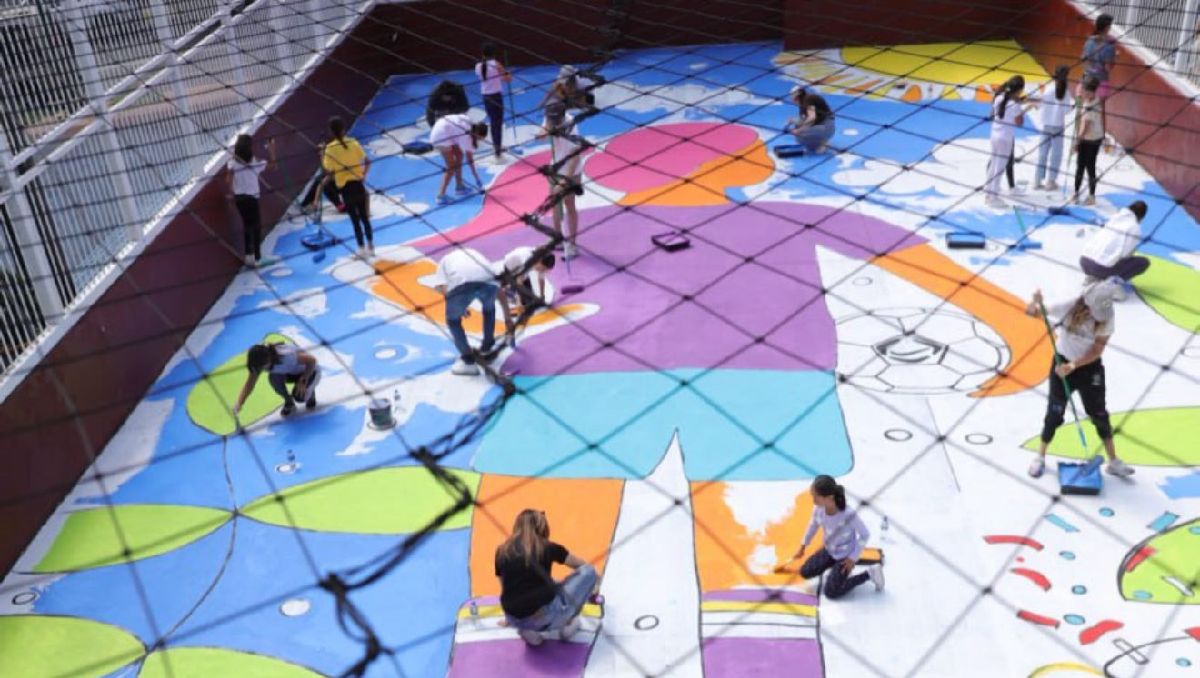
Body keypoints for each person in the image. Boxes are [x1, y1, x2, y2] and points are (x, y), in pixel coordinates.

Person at [1025, 281, 1134, 478]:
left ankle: (1113, 462)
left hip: (1089, 368)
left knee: (1099, 414)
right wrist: (1035, 302)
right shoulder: (1069, 306)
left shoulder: (1108, 316)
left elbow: (1097, 350)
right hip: (1061, 364)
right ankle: (1040, 457)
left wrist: (1073, 366)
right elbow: (1033, 313)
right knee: (1054, 414)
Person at [495, 509, 598, 646]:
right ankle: (568, 625)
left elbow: (505, 587)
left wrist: (509, 619)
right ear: (541, 526)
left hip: (513, 617)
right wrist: (594, 586)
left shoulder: (502, 550)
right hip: (544, 616)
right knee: (589, 571)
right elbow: (581, 566)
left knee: (550, 583)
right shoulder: (547, 547)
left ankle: (528, 632)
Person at [791, 475, 882, 599]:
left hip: (845, 557)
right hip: (829, 550)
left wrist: (852, 558)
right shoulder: (818, 510)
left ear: (829, 497)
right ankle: (835, 571)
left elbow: (865, 534)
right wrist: (802, 546)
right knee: (805, 571)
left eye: (816, 496)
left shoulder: (848, 514)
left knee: (831, 592)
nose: (813, 500)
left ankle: (869, 574)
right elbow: (812, 526)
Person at [433, 246, 500, 375]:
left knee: (453, 321)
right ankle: (487, 349)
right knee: (489, 310)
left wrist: (459, 308)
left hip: (463, 284)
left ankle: (468, 362)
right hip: (490, 281)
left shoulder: (444, 261)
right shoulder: (472, 251)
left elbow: (444, 289)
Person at [322, 116, 374, 258]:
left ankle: (361, 249)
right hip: (358, 185)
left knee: (355, 221)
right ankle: (371, 247)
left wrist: (322, 154)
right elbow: (367, 161)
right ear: (344, 129)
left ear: (331, 132)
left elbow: (328, 169)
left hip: (346, 190)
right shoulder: (353, 142)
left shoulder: (330, 149)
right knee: (364, 218)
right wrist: (363, 175)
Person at [539, 98, 585, 258]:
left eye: (556, 120)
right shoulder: (549, 118)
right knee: (555, 204)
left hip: (571, 171)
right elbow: (541, 135)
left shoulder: (571, 126)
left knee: (569, 204)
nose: (554, 122)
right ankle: (557, 238)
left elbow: (575, 156)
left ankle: (572, 244)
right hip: (555, 168)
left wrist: (565, 181)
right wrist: (547, 129)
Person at [232, 342, 320, 419]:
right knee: (273, 378)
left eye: (261, 367)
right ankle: (289, 402)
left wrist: (303, 380)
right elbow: (249, 384)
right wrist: (239, 403)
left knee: (300, 397)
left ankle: (310, 393)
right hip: (290, 372)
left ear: (268, 360)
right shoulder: (260, 361)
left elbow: (312, 360)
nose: (259, 370)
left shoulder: (287, 357)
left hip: (310, 371)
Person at [225, 134, 276, 267]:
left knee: (247, 226)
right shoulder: (255, 162)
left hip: (239, 199)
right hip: (252, 199)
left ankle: (249, 257)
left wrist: (230, 194)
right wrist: (272, 151)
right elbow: (273, 166)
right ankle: (258, 258)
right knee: (256, 227)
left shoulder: (232, 163)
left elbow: (228, 180)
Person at [497, 246, 556, 344]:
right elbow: (519, 284)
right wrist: (518, 303)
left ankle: (507, 287)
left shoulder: (541, 257)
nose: (543, 271)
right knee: (523, 302)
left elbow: (541, 278)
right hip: (511, 267)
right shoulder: (526, 262)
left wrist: (542, 297)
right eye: (543, 269)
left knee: (531, 303)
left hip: (521, 270)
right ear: (539, 262)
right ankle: (506, 287)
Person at [1081, 200, 1149, 282]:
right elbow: (1125, 255)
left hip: (1084, 262)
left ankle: (1094, 276)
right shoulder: (1134, 227)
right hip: (1100, 267)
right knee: (1143, 262)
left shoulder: (1115, 218)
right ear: (1141, 216)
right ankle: (1112, 282)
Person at [984, 75, 1025, 208]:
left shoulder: (999, 97)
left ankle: (988, 192)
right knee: (999, 168)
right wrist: (1021, 110)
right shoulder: (1015, 105)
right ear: (1019, 90)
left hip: (994, 135)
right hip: (1005, 138)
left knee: (993, 164)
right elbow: (1019, 123)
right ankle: (993, 198)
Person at [431, 113, 488, 204]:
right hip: (440, 136)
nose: (480, 140)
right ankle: (440, 196)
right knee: (451, 166)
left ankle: (459, 187)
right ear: (477, 134)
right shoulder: (466, 136)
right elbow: (470, 161)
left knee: (459, 154)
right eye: (480, 138)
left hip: (444, 130)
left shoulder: (469, 122)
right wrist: (477, 179)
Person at [1033, 66, 1072, 191]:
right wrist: (1073, 106)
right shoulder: (1066, 92)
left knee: (1042, 153)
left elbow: (1039, 104)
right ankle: (1051, 181)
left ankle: (1037, 180)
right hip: (1058, 125)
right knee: (1056, 154)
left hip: (1045, 124)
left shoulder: (1048, 88)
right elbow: (1066, 111)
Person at [476, 42, 513, 161]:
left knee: (493, 123)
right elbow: (508, 79)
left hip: (486, 97)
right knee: (497, 124)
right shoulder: (496, 65)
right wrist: (507, 72)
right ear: (494, 53)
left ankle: (497, 149)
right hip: (496, 97)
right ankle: (497, 151)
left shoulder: (478, 66)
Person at [1080, 13, 1117, 131]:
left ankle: (1081, 133)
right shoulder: (1110, 46)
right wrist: (1115, 59)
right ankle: (1099, 136)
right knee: (1099, 111)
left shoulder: (1089, 41)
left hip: (1087, 79)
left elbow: (1083, 60)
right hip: (1101, 81)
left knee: (1086, 108)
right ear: (1106, 27)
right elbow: (1108, 68)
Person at [1073, 76, 1104, 206]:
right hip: (1092, 137)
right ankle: (1078, 193)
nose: (1083, 93)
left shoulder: (1092, 105)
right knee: (1083, 166)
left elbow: (1086, 127)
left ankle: (1089, 196)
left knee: (1087, 166)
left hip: (1091, 139)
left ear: (1092, 92)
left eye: (1085, 91)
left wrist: (1077, 141)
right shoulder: (1092, 100)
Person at [785, 85, 835, 153]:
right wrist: (793, 121)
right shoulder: (805, 102)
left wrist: (799, 130)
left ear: (796, 97)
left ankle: (823, 142)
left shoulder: (808, 99)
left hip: (826, 127)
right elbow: (805, 119)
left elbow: (812, 117)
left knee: (800, 134)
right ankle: (820, 139)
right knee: (798, 129)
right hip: (825, 126)